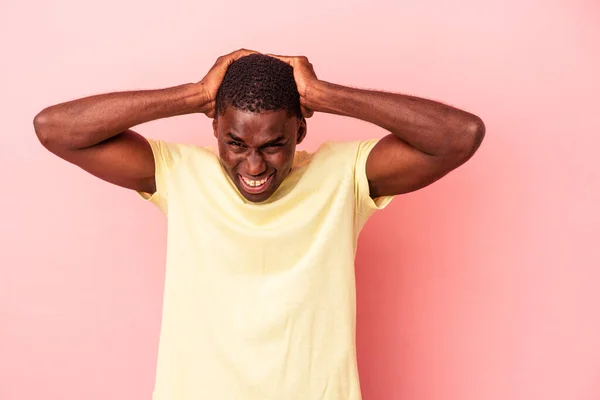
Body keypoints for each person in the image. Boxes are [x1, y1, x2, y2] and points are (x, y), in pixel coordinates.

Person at [33, 49, 485, 400]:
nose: (253, 165)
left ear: (300, 132)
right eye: (235, 143)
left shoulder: (342, 175)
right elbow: (55, 129)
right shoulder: (181, 173)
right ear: (214, 127)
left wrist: (325, 95)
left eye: (273, 145)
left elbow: (459, 136)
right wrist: (194, 94)